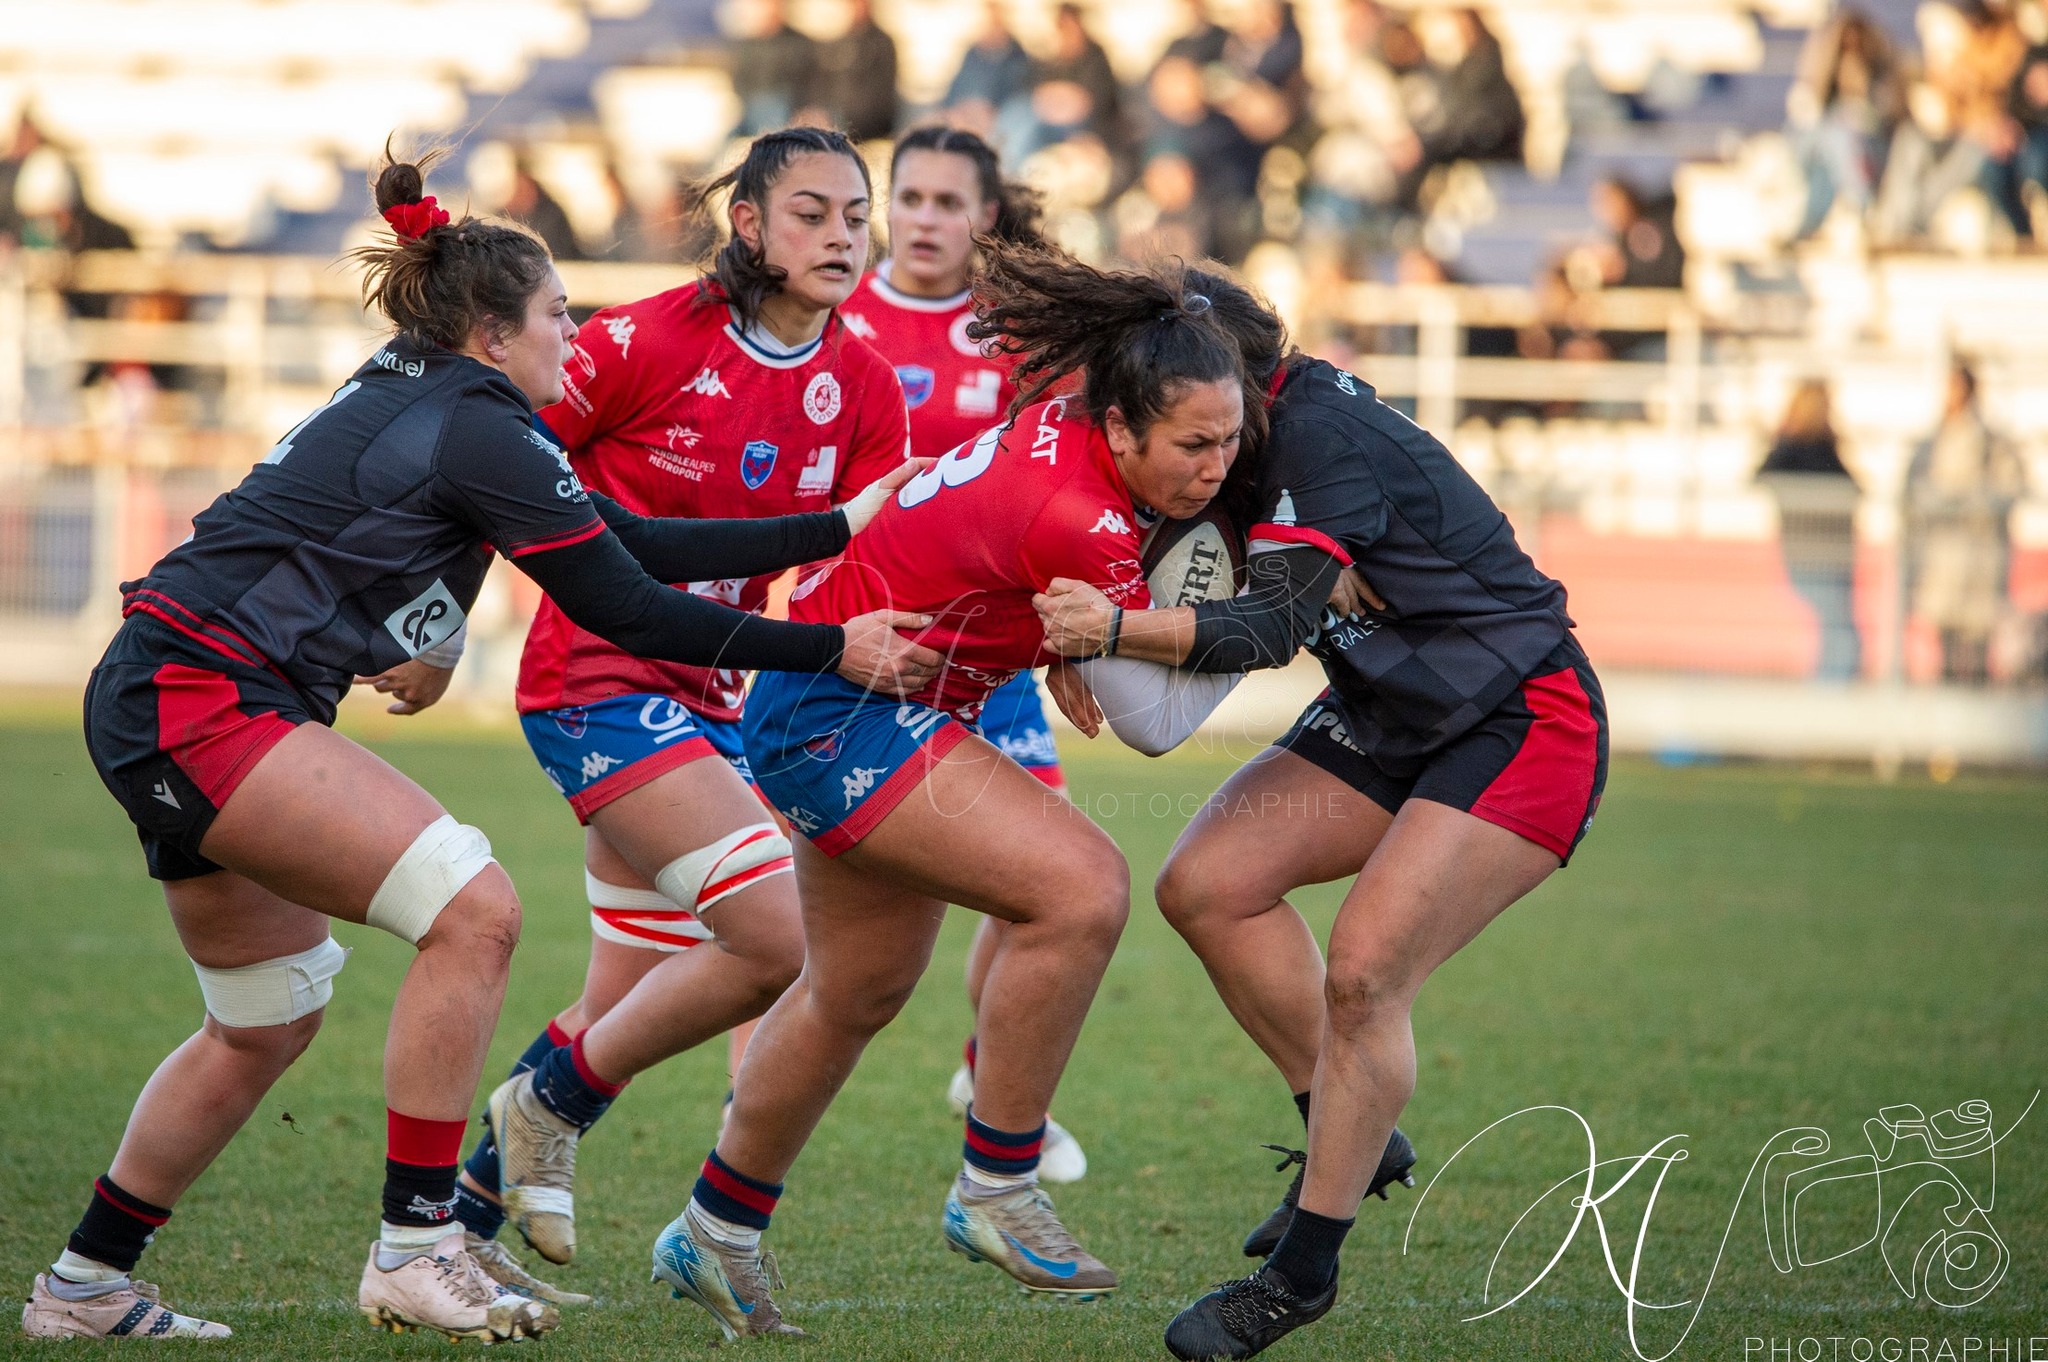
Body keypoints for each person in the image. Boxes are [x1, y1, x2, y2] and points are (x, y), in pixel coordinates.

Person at [20, 146, 937, 1344]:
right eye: (558, 315)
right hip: (201, 698)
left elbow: (619, 544)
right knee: (476, 908)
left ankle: (84, 1283)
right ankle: (416, 1244)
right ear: (494, 335)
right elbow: (627, 607)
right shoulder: (484, 425)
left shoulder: (444, 396)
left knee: (266, 1017)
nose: (576, 333)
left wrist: (833, 524)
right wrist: (833, 651)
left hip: (171, 692)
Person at [652, 248, 1256, 1340]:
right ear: (1121, 431)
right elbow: (1156, 726)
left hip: (838, 697)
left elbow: (1000, 557)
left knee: (856, 991)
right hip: (847, 710)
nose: (1217, 467)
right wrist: (1264, 627)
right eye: (1194, 443)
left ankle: (714, 1229)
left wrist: (1057, 629)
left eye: (1229, 438)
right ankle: (997, 1184)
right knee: (1082, 890)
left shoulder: (1084, 404)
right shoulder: (1085, 519)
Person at [1035, 276, 1605, 1362]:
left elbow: (1267, 625)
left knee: (1364, 974)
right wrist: (1059, 640)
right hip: (1390, 713)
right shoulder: (1227, 427)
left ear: (1242, 382)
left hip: (1518, 717)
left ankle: (1298, 1275)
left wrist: (1110, 626)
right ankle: (1347, 1129)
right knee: (1203, 885)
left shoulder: (1316, 439)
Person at [445, 127, 922, 1300]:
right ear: (748, 224)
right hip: (595, 681)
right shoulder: (643, 340)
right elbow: (481, 467)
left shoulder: (862, 384)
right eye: (811, 213)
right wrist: (437, 621)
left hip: (714, 694)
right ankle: (549, 1108)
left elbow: (870, 569)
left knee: (620, 999)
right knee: (775, 938)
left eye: (856, 216)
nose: (842, 237)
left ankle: (446, 1238)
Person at [838, 125, 1086, 1181]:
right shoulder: (833, 317)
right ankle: (743, 1107)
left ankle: (986, 1070)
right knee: (825, 927)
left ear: (987, 216)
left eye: (949, 201)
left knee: (1044, 869)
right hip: (853, 646)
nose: (925, 219)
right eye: (910, 197)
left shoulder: (1020, 334)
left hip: (990, 653)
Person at [1907, 360, 2025, 684]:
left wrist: (1972, 504)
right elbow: (1913, 491)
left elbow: (2011, 488)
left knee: (1976, 650)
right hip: (1942, 560)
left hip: (1978, 561)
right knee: (1944, 646)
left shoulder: (1992, 443)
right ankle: (1944, 723)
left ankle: (1977, 722)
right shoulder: (1932, 443)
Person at [1757, 379, 1862, 681]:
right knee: (1840, 631)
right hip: (1811, 552)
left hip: (1829, 552)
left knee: (1841, 630)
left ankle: (1833, 688)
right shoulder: (1795, 447)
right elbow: (1766, 477)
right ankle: (1831, 691)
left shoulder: (1822, 447)